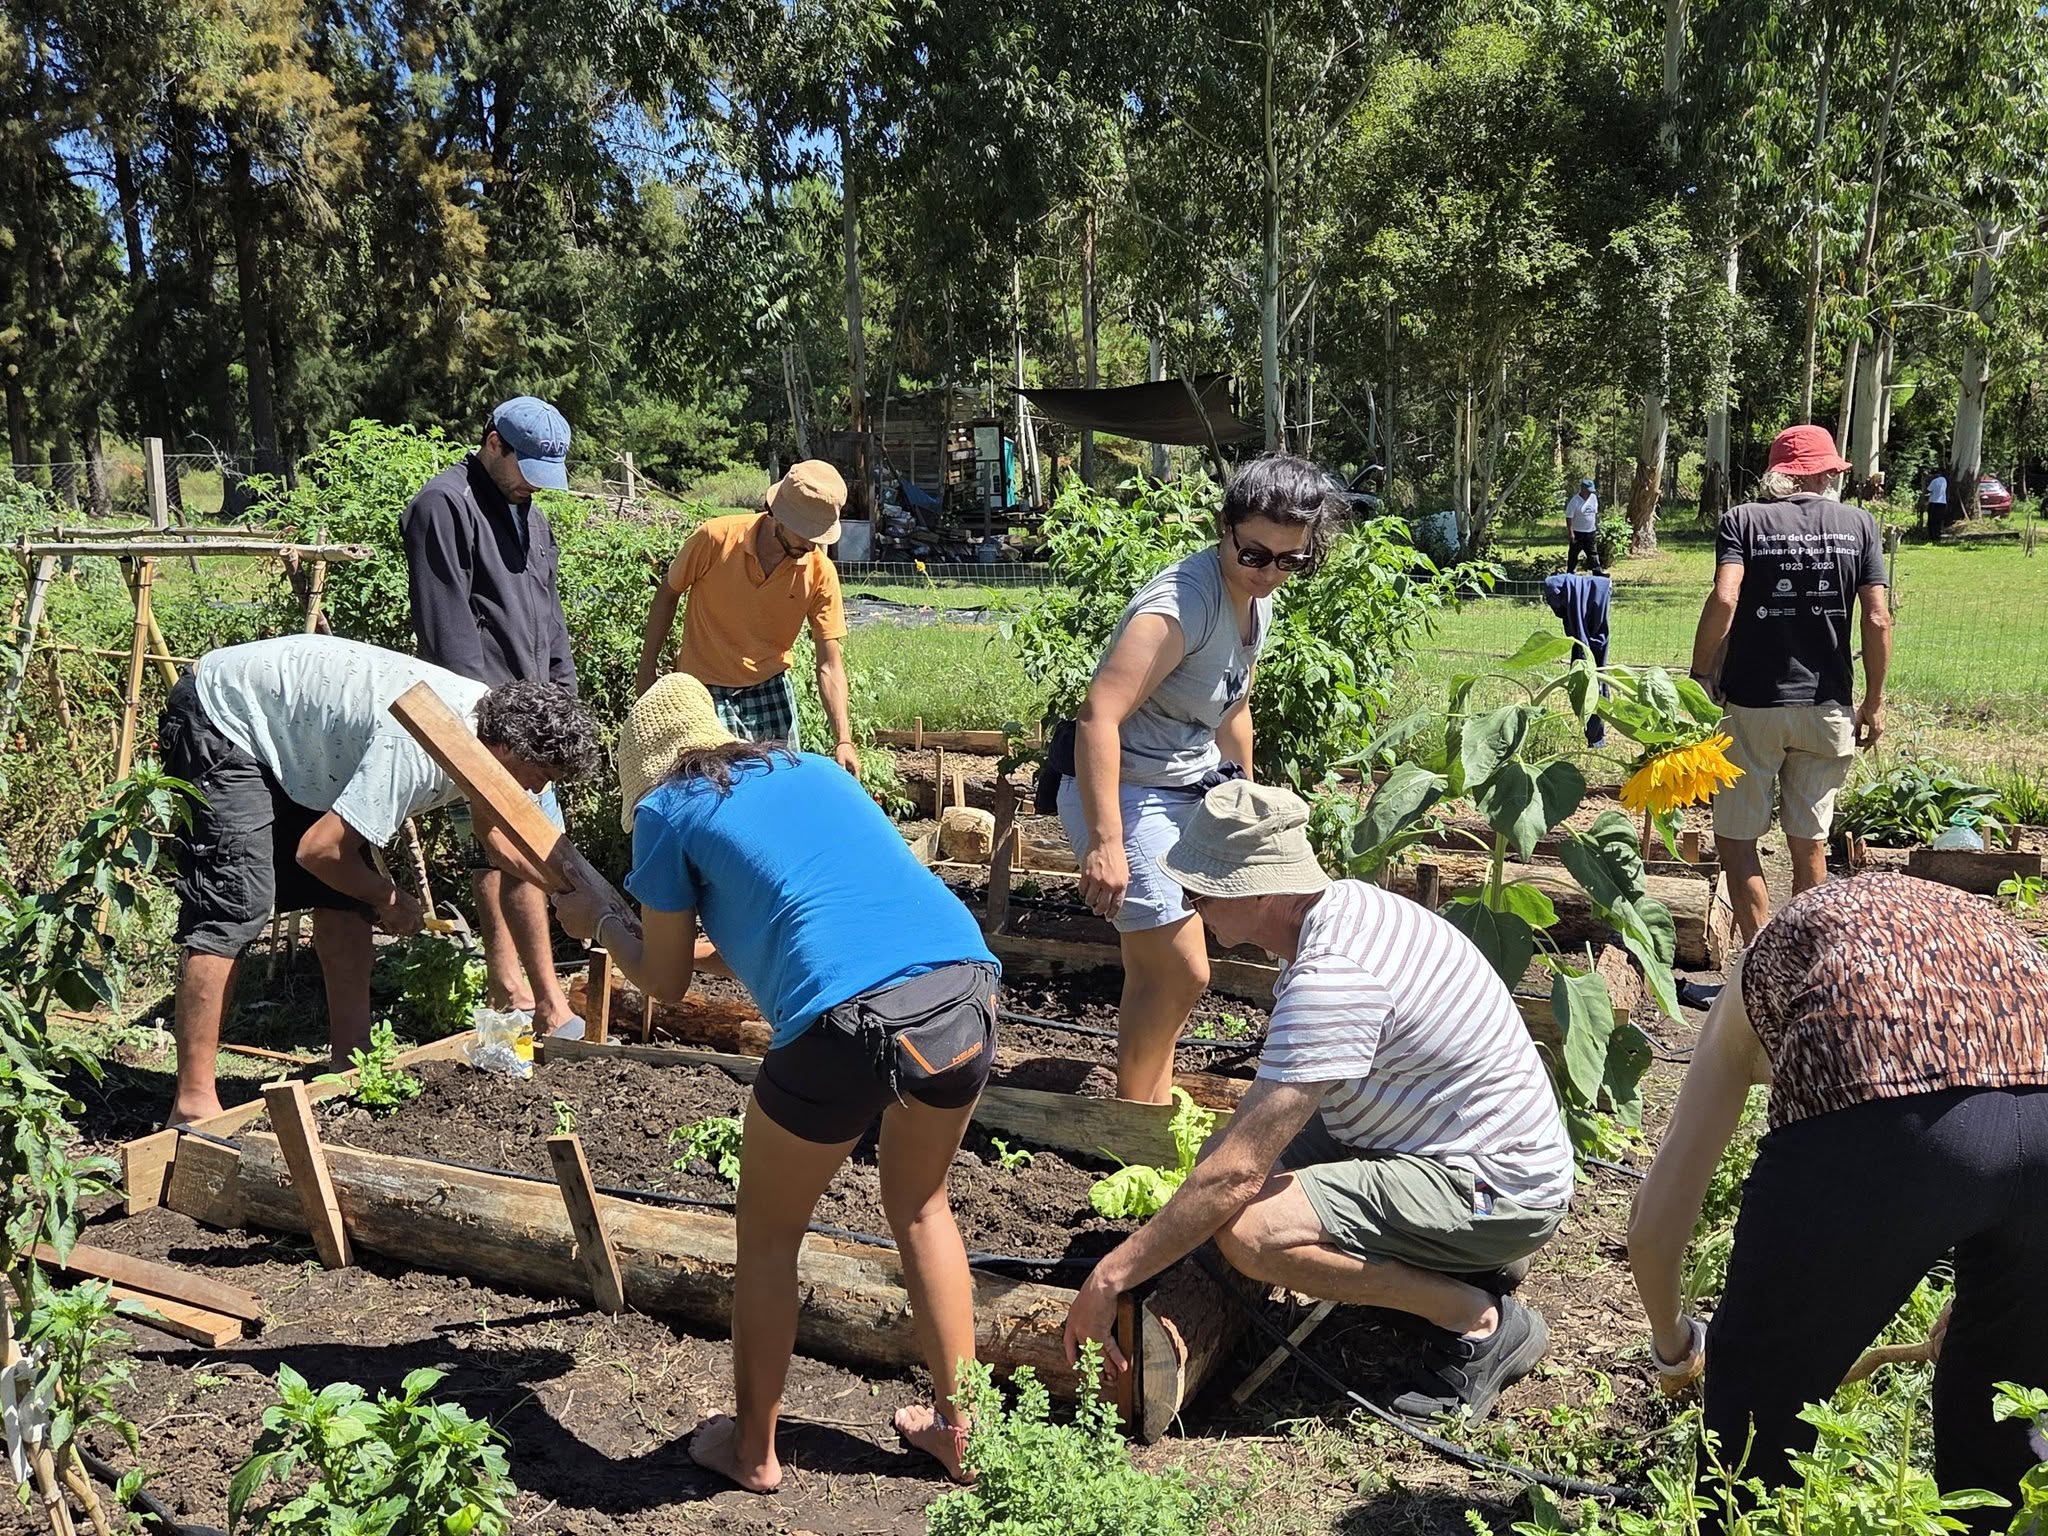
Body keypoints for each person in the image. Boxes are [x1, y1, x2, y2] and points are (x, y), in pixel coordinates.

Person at [550, 673, 999, 1490]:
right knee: (924, 1206)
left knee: (766, 1239)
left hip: (848, 1023)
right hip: (962, 987)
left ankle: (752, 1451)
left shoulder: (663, 813)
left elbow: (669, 980)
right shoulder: (811, 771)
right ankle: (960, 1432)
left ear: (644, 772)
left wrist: (600, 927)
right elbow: (803, 909)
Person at [1062, 781, 1574, 1421]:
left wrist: (1112, 1277)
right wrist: (1174, 1228)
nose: (1191, 905)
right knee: (1226, 1161)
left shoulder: (1332, 977)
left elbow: (1237, 1175)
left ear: (1258, 889)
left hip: (1501, 1188)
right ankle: (1460, 1260)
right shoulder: (1345, 911)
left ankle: (1478, 1320)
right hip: (1460, 1142)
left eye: (1201, 890)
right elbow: (1242, 1143)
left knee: (1252, 1231)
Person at [1627, 873, 2048, 1530]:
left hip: (1885, 1105)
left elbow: (1654, 1231)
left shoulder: (1754, 978)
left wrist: (1673, 1346)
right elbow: (2003, 1113)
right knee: (1997, 1410)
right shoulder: (1977, 931)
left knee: (1756, 1410)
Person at [159, 634, 599, 1125]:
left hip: (299, 741)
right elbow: (319, 852)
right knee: (237, 907)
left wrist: (569, 889)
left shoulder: (482, 735)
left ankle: (352, 1062)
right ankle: (193, 1103)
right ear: (504, 747)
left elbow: (495, 842)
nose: (537, 788)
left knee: (345, 903)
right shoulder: (418, 746)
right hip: (225, 717)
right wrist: (391, 899)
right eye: (537, 774)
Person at [1059, 452, 1340, 1104]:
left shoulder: (1255, 602)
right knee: (1180, 969)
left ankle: (1146, 1095)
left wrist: (1248, 798)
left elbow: (1233, 707)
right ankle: (1138, 1115)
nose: (1270, 572)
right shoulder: (1182, 603)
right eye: (1255, 554)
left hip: (1190, 783)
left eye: (1290, 560)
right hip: (1125, 789)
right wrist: (1105, 841)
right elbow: (1098, 715)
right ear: (1226, 530)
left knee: (1248, 927)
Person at [403, 395, 584, 1038]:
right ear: (492, 443)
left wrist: (562, 706)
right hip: (483, 721)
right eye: (525, 466)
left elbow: (548, 617)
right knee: (506, 850)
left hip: (537, 719)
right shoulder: (443, 507)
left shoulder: (529, 513)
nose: (533, 482)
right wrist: (488, 735)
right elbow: (447, 633)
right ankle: (529, 996)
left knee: (516, 851)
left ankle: (516, 993)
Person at [1688, 424, 1890, 941]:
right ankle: (1803, 970)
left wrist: (1700, 672)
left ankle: (1758, 971)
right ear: (1824, 473)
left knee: (1736, 839)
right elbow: (1877, 618)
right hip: (1827, 705)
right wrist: (1873, 701)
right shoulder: (1859, 525)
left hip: (1753, 705)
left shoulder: (1743, 521)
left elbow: (1726, 598)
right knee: (1810, 842)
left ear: (1778, 474)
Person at [635, 461, 860, 775]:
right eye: (806, 532)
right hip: (703, 691)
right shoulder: (715, 540)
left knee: (778, 794)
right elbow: (667, 594)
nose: (811, 544)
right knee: (708, 793)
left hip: (769, 690)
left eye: (818, 534)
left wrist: (843, 739)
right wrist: (646, 671)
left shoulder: (819, 572)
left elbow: (829, 663)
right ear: (777, 514)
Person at [1565, 478, 1602, 572]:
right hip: (1578, 533)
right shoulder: (1575, 501)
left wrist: (1597, 527)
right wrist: (1571, 532)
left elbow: (1595, 514)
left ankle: (1597, 572)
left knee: (1593, 553)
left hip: (1590, 532)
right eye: (1588, 491)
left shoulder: (1593, 498)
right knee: (1573, 554)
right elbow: (1569, 517)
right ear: (1583, 489)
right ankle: (1570, 572)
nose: (1590, 493)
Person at [1925, 465, 1950, 538]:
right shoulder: (1944, 480)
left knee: (1932, 519)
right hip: (1942, 502)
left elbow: (1928, 490)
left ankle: (1932, 535)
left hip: (1934, 502)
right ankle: (1938, 533)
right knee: (1939, 519)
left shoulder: (1934, 481)